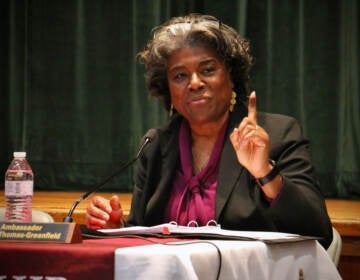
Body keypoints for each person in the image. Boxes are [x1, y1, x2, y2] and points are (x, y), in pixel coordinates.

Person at [86, 13, 333, 248]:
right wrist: (115, 227)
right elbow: (142, 235)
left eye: (207, 70)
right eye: (180, 75)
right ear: (168, 89)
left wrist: (265, 173)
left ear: (231, 77)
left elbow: (319, 232)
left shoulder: (277, 133)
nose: (194, 83)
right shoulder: (155, 146)